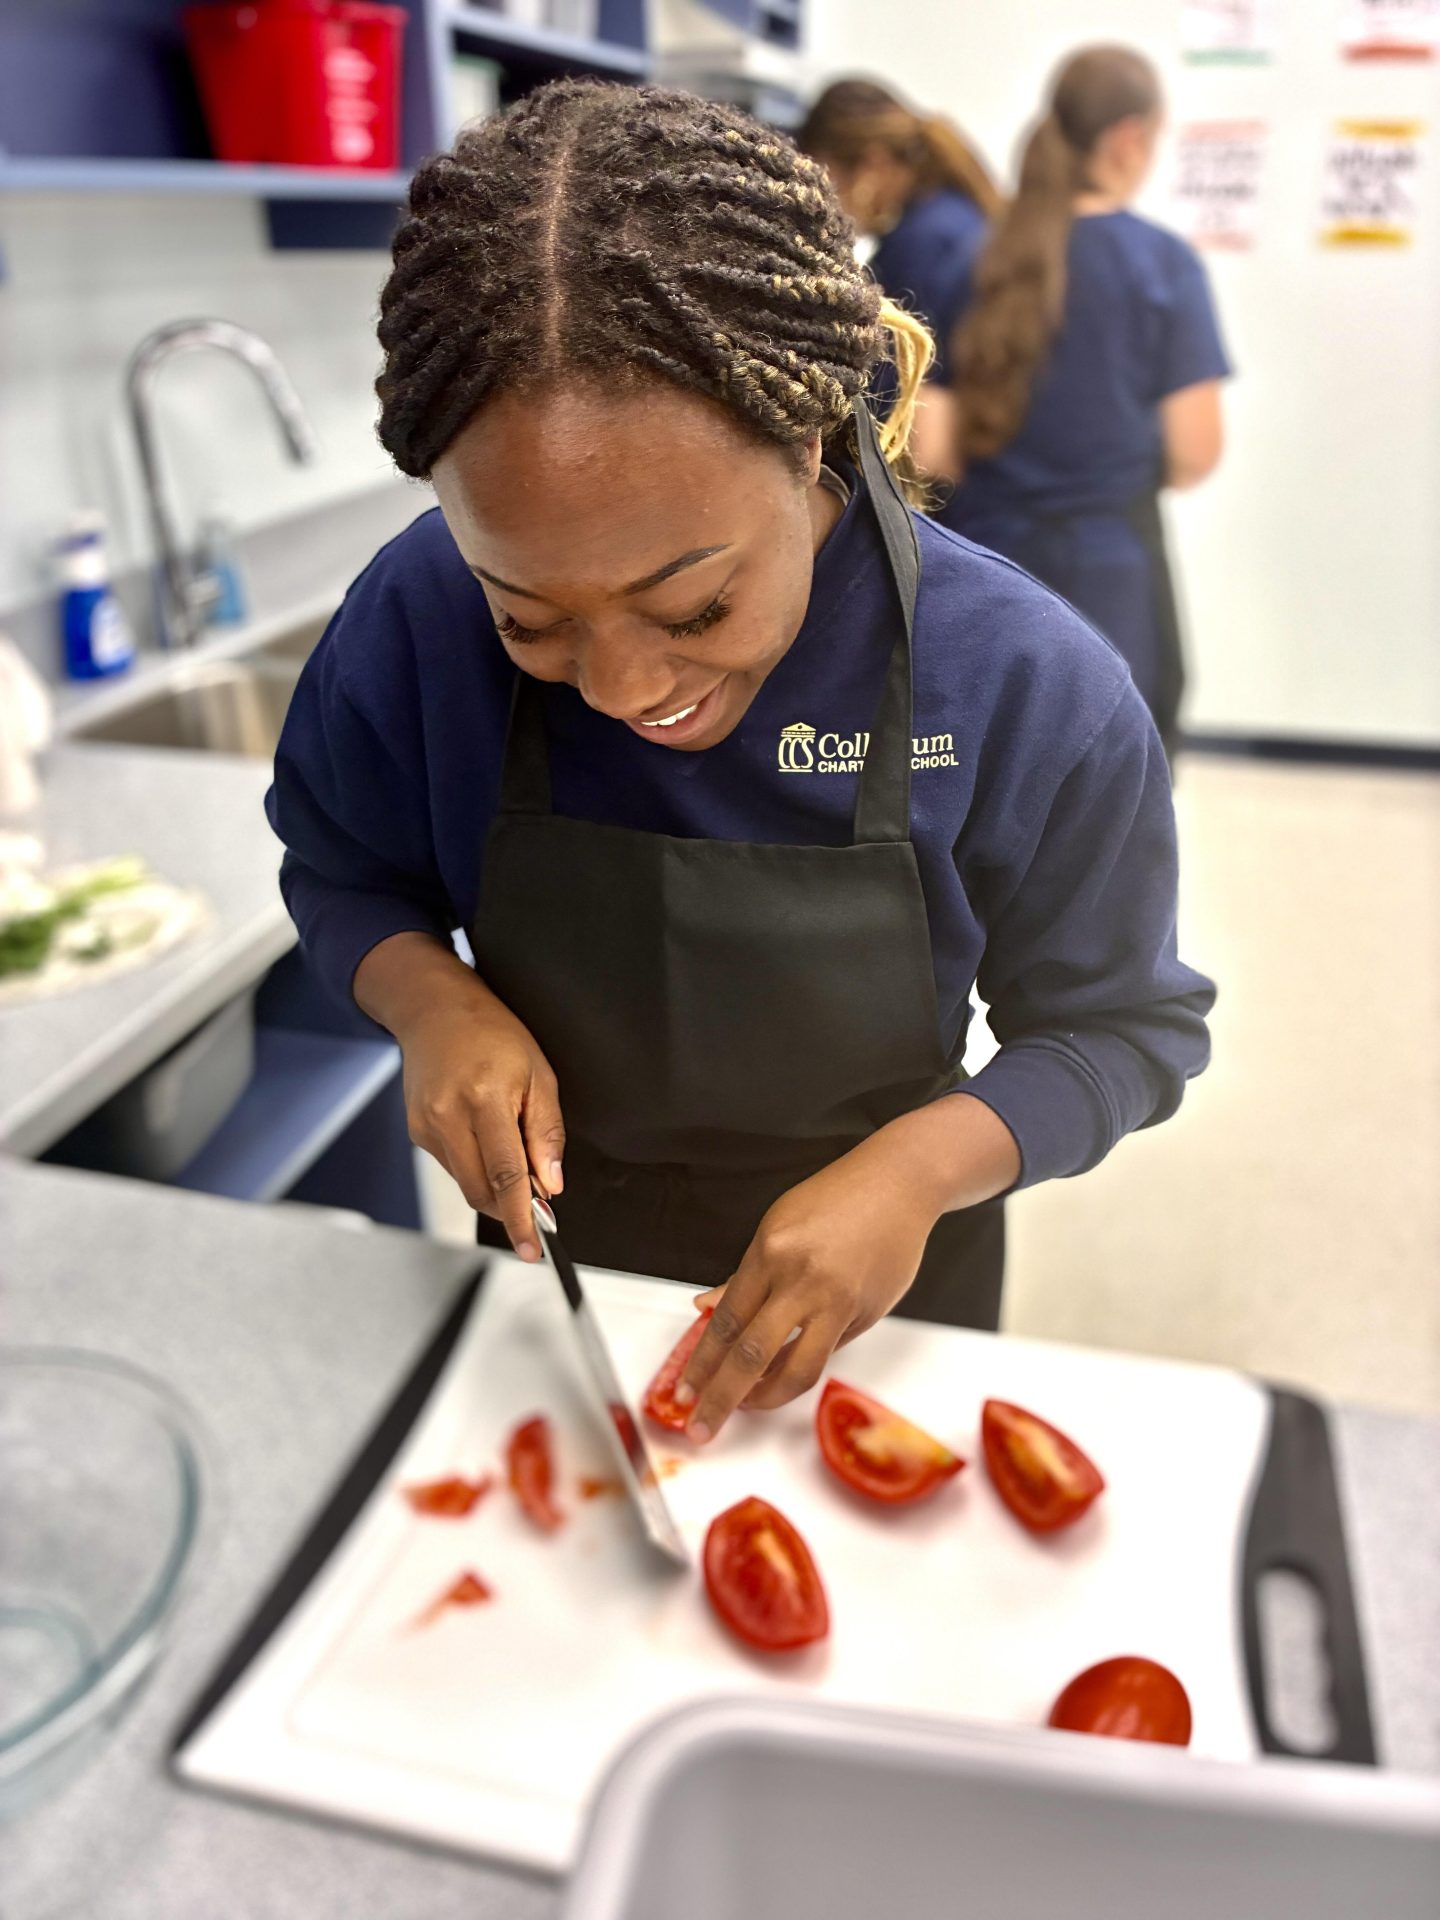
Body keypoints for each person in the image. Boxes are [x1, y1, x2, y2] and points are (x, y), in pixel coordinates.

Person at [268, 81, 1214, 1447]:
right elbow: (341, 869)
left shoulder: (1018, 677)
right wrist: (433, 1005)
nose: (625, 687)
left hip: (886, 1289)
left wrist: (914, 1173)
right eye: (528, 618)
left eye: (693, 608)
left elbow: (1125, 1028)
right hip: (556, 1266)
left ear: (816, 433)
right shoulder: (415, 618)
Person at [945, 46, 1230, 755]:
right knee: (1109, 787)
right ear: (1129, 139)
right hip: (1113, 570)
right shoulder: (1163, 264)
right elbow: (1197, 452)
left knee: (994, 771)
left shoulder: (975, 259)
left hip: (985, 565)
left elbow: (931, 452)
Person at [798, 78, 1001, 479]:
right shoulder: (956, 218)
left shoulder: (921, 244)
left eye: (830, 183)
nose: (830, 205)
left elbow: (891, 402)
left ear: (873, 163)